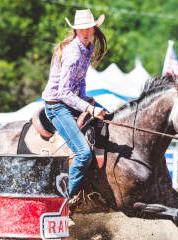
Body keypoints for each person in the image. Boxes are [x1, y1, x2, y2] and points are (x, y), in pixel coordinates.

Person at [42, 9, 107, 198]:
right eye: (82, 29)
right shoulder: (72, 53)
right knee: (83, 153)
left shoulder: (88, 49)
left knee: (107, 119)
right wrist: (88, 107)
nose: (86, 32)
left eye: (89, 28)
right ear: (76, 31)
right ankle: (63, 202)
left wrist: (86, 98)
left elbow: (80, 80)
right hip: (57, 105)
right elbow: (63, 92)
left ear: (94, 29)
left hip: (70, 101)